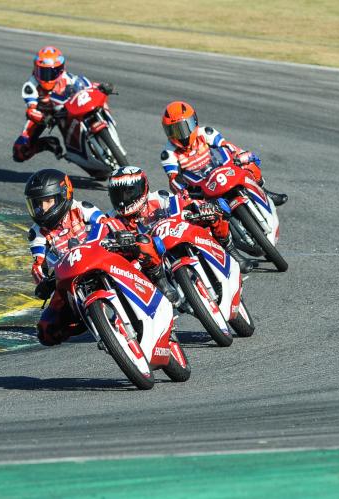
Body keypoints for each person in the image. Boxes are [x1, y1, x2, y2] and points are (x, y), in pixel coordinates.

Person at [25, 168, 175, 347]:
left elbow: (105, 222)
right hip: (70, 274)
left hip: (101, 254)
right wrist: (43, 281)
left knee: (143, 244)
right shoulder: (36, 232)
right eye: (37, 204)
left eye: (47, 201)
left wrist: (120, 234)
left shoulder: (80, 208)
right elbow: (38, 263)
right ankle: (93, 323)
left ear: (63, 195)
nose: (42, 209)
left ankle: (160, 280)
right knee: (45, 331)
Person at [106, 166, 255, 274]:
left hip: (178, 234)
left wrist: (200, 207)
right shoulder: (111, 218)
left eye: (128, 193)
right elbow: (102, 239)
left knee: (217, 210)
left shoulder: (159, 197)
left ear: (143, 188)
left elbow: (182, 202)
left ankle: (231, 251)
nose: (122, 200)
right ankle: (162, 285)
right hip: (150, 260)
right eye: (117, 195)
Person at [159, 101, 288, 206]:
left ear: (195, 121)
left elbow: (227, 146)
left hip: (220, 170)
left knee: (249, 164)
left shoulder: (206, 133)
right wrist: (183, 191)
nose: (182, 135)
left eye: (185, 127)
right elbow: (174, 179)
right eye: (175, 131)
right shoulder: (168, 153)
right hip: (199, 187)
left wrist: (242, 155)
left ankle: (264, 193)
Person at [13, 46, 115, 163]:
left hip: (68, 108)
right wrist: (42, 117)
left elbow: (88, 86)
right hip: (46, 115)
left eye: (53, 72)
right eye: (43, 72)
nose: (48, 76)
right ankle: (47, 144)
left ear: (61, 69)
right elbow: (31, 109)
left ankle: (108, 123)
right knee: (20, 151)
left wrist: (102, 87)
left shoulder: (68, 78)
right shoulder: (31, 85)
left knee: (98, 99)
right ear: (36, 69)